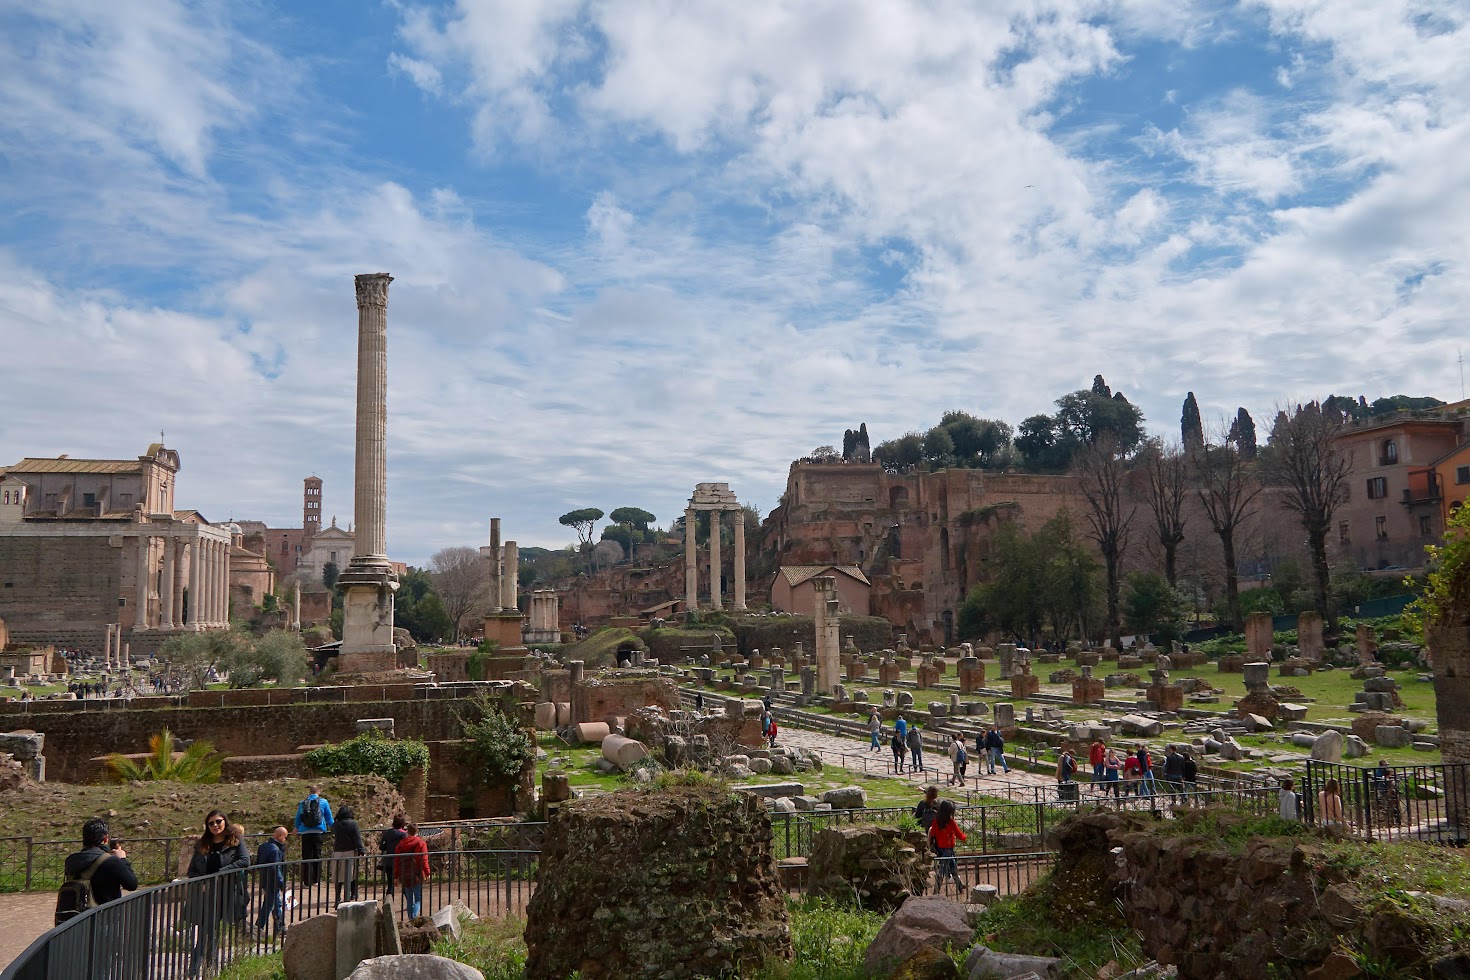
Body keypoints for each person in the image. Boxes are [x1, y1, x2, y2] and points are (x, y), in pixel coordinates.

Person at [186, 810, 250, 978]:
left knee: (213, 932)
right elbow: (192, 870)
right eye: (211, 823)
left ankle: (207, 969)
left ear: (225, 822)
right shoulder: (202, 844)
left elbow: (245, 861)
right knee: (207, 931)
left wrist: (219, 874)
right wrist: (202, 882)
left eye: (218, 821)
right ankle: (199, 969)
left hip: (227, 893)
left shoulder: (236, 840)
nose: (215, 825)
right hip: (206, 895)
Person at [58, 817, 138, 923]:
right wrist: (122, 859)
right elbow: (132, 884)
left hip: (76, 920)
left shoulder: (71, 860)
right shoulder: (111, 862)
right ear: (105, 839)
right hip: (105, 919)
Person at [295, 785, 335, 888]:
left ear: (309, 792)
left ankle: (306, 882)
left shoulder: (303, 803)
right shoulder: (323, 802)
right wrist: (334, 828)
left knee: (306, 857)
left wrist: (296, 828)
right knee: (317, 855)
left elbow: (298, 818)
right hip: (318, 831)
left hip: (305, 832)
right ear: (319, 792)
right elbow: (328, 817)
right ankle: (316, 880)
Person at [254, 827, 289, 938]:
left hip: (265, 879)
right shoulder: (275, 850)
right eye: (285, 837)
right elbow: (276, 868)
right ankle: (276, 927)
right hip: (272, 881)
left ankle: (274, 926)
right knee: (272, 904)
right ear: (280, 836)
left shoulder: (263, 846)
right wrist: (281, 883)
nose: (285, 840)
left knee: (272, 903)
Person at [927, 799, 968, 893]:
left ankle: (960, 886)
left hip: (940, 849)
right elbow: (959, 835)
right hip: (948, 849)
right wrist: (965, 837)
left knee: (950, 868)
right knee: (946, 870)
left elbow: (933, 833)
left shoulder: (936, 821)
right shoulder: (950, 822)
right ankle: (936, 891)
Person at [394, 822, 430, 919]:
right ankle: (413, 918)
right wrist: (427, 872)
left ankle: (411, 918)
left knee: (409, 899)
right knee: (418, 899)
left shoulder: (400, 845)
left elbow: (397, 861)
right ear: (417, 831)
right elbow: (424, 859)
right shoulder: (421, 843)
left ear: (407, 831)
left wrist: (395, 876)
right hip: (416, 873)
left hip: (404, 873)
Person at [331, 806, 366, 906]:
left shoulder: (336, 824)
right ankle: (352, 894)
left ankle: (337, 898)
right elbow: (357, 838)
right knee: (351, 875)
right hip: (350, 851)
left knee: (338, 876)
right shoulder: (353, 824)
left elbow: (332, 829)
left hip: (337, 852)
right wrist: (361, 850)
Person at [379, 814, 408, 896]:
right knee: (405, 884)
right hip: (401, 861)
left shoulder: (387, 833)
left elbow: (381, 846)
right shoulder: (404, 835)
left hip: (389, 860)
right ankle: (411, 903)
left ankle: (388, 902)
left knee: (390, 885)